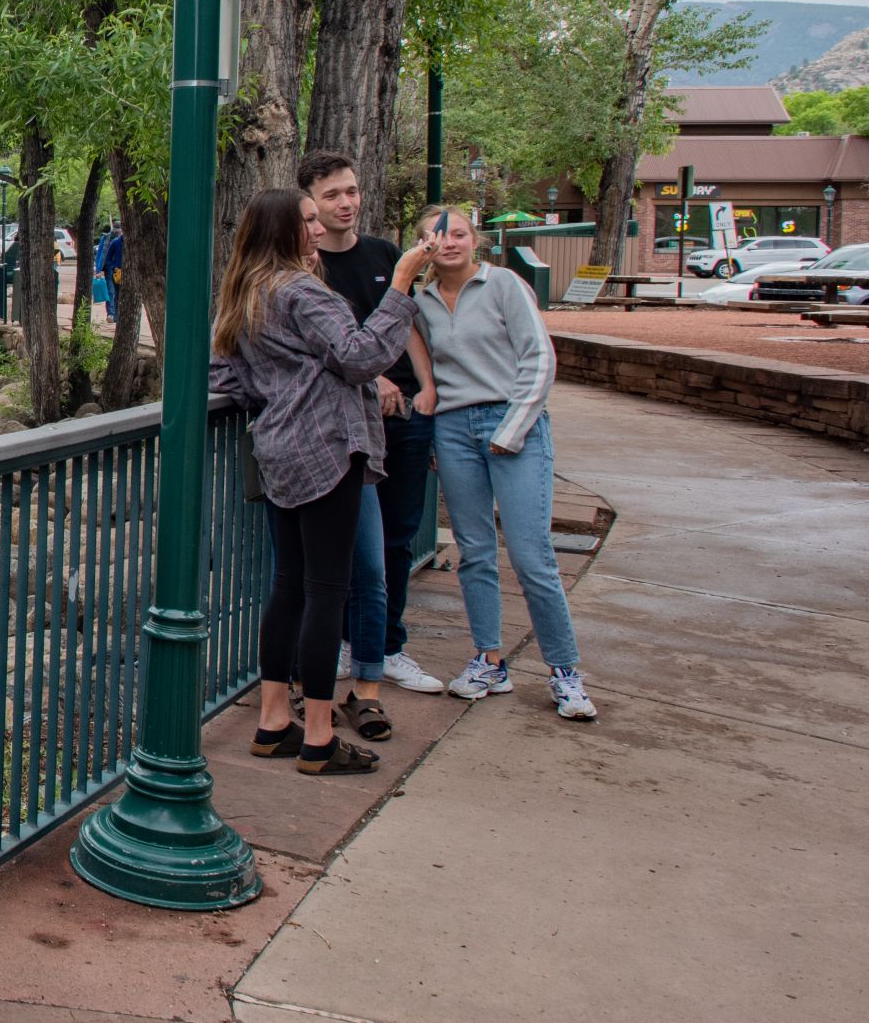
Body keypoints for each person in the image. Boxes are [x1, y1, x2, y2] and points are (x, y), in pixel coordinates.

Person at [211, 188, 431, 776]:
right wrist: (402, 283)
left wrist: (282, 391)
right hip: (331, 449)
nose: (317, 230)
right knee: (327, 590)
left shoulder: (244, 293)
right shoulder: (301, 291)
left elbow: (224, 374)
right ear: (284, 231)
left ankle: (272, 721)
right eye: (307, 220)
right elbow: (361, 357)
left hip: (280, 450)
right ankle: (318, 737)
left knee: (289, 585)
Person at [410, 204, 598, 721]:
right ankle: (489, 660)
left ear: (476, 239)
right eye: (434, 235)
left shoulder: (505, 285)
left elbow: (539, 357)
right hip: (452, 428)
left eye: (458, 233)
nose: (447, 243)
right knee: (474, 550)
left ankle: (565, 672)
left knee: (532, 555)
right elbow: (411, 348)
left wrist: (512, 430)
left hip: (513, 425)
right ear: (422, 244)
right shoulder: (420, 300)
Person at [296, 152, 445, 716]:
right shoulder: (309, 271)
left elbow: (400, 321)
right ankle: (342, 647)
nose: (346, 203)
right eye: (332, 195)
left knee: (397, 538)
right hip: (348, 424)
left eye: (352, 191)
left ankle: (385, 648)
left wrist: (425, 386)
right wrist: (374, 376)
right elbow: (339, 346)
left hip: (404, 416)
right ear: (311, 203)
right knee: (346, 547)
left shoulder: (385, 254)